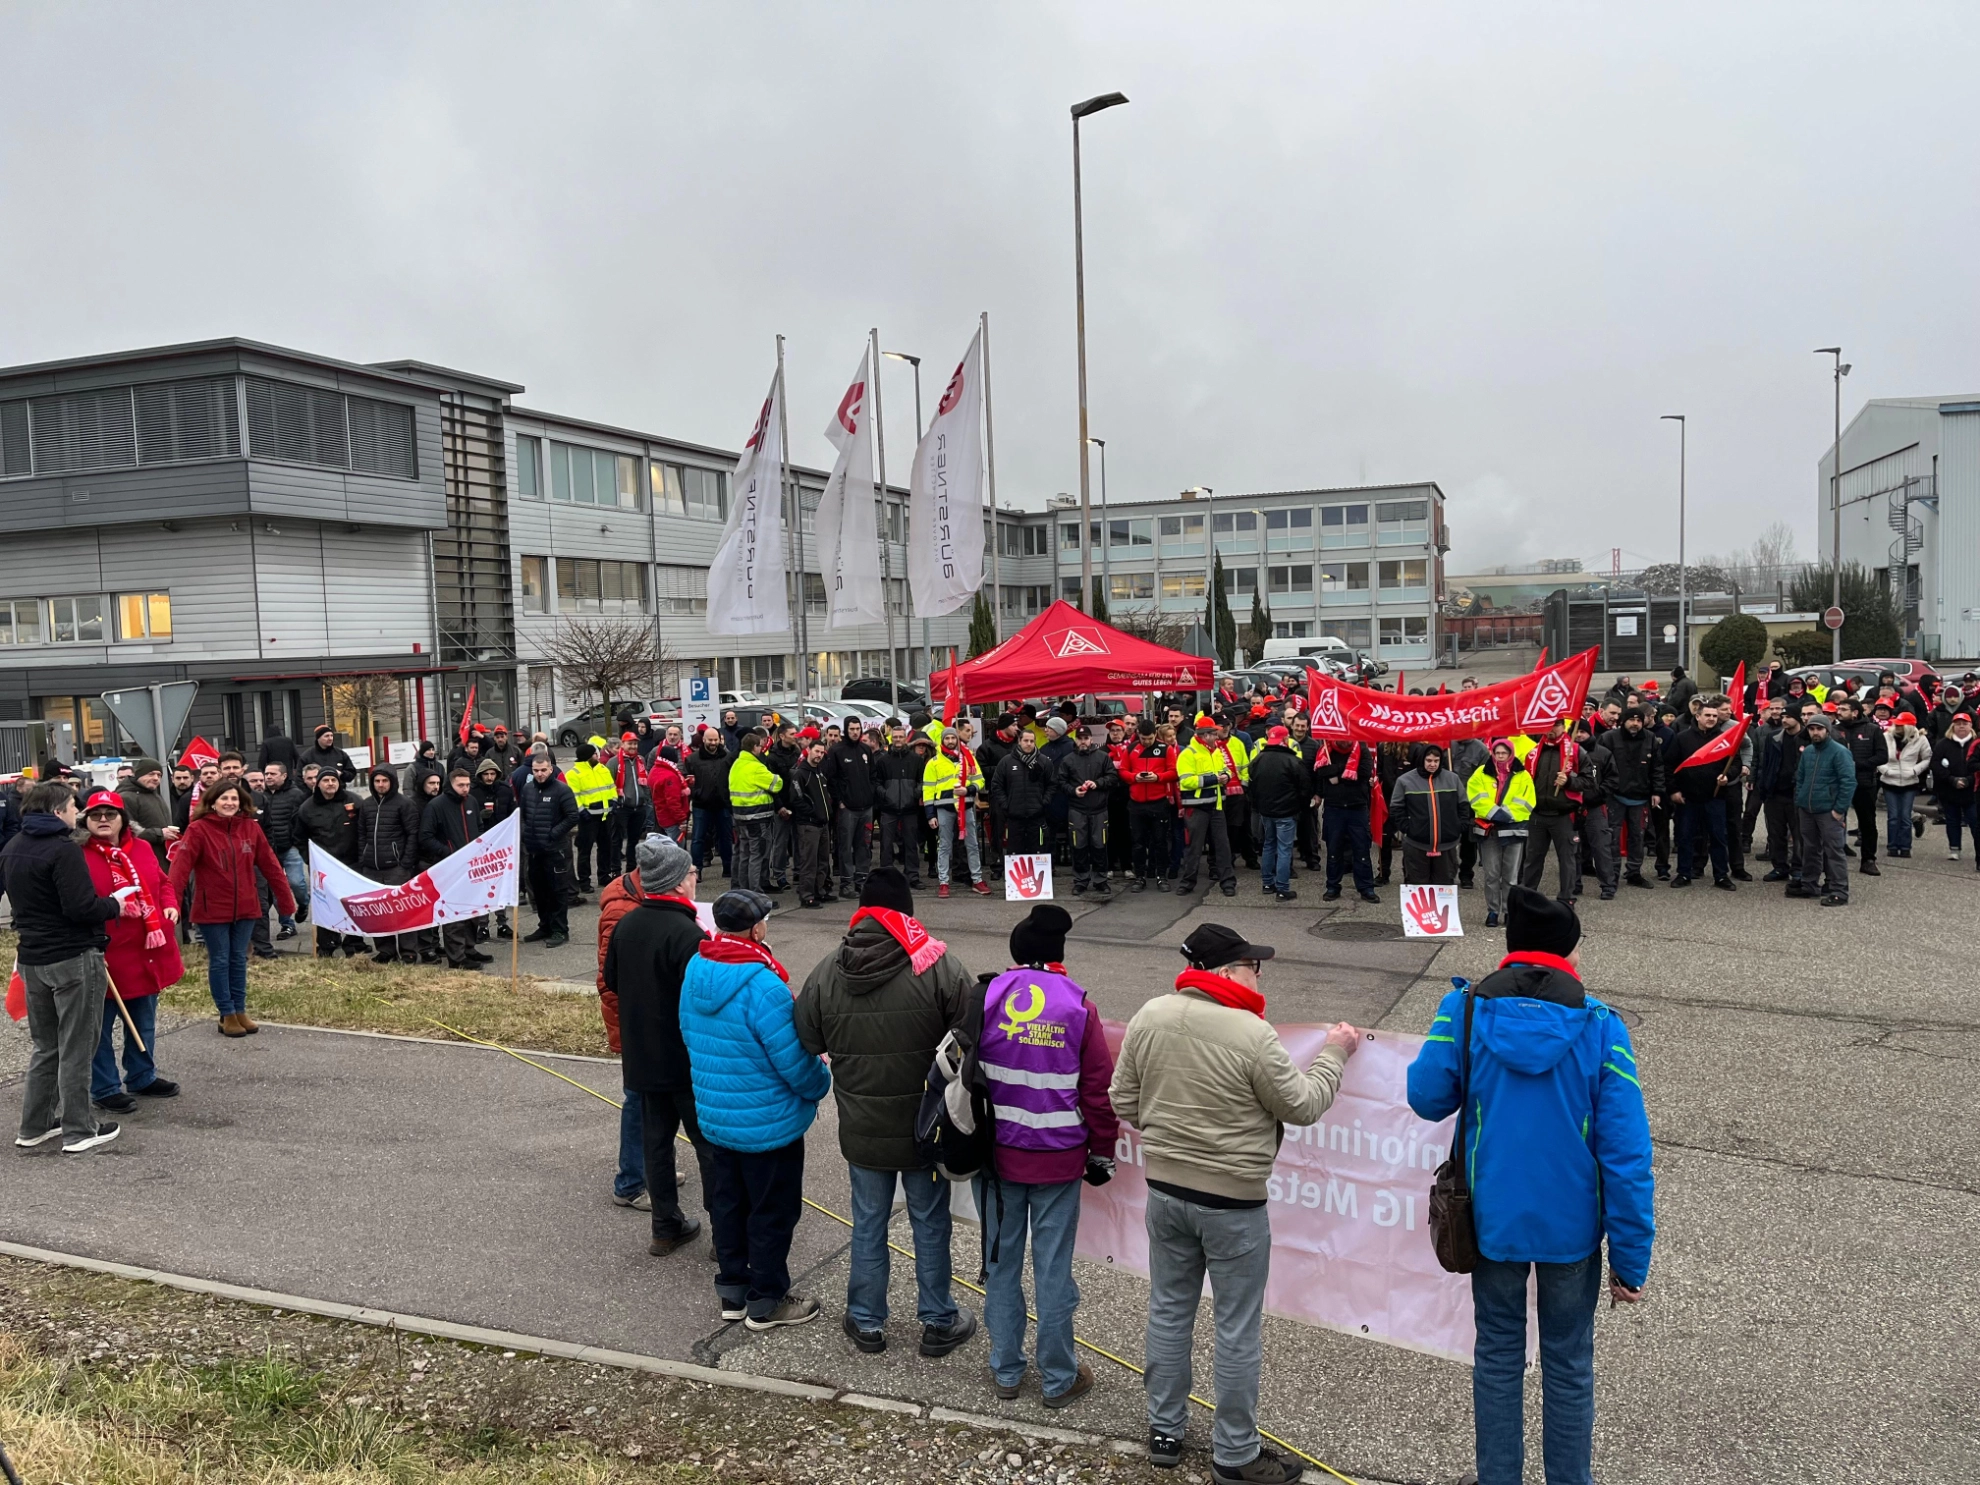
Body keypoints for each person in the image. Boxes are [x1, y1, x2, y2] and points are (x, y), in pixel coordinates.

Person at [1406, 887, 1655, 1485]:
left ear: (1512, 948)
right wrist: (1630, 1259)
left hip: (1491, 1221)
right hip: (1572, 1229)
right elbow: (1626, 1155)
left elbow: (1425, 1096)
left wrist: (1446, 1017)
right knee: (1569, 1365)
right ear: (1569, 952)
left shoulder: (1465, 1011)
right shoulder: (1602, 1027)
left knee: (1497, 1356)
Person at [1109, 923, 1358, 1482]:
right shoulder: (1251, 1033)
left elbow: (1122, 1098)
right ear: (1223, 973)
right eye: (1251, 965)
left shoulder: (1151, 1015)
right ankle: (1235, 1454)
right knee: (1236, 1326)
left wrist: (1172, 1134)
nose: (1259, 973)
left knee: (1169, 1310)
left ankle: (1165, 1430)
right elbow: (1301, 1105)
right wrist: (1335, 1055)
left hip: (1166, 1192)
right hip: (1234, 1204)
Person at [794, 868, 978, 1358]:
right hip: (927, 1127)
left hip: (862, 1127)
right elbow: (969, 1034)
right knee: (930, 1223)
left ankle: (867, 1321)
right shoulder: (937, 965)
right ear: (906, 914)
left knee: (869, 1222)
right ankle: (939, 1320)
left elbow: (808, 1038)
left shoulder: (828, 969)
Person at [975, 905, 1119, 1408]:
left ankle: (1006, 1372)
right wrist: (1103, 1151)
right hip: (1059, 1159)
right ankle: (1059, 1378)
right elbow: (1098, 1091)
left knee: (1001, 1263)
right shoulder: (1078, 1005)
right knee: (1053, 1271)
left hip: (996, 1160)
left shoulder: (989, 995)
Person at [681, 888, 832, 1329]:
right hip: (768, 1122)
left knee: (728, 1203)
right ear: (756, 928)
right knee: (772, 1210)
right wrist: (821, 1081)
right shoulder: (763, 984)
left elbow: (688, 1032)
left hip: (717, 1113)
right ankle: (767, 1299)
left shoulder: (697, 967)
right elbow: (794, 1062)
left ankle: (732, 1290)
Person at [603, 833, 716, 1256]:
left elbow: (612, 981)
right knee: (709, 1149)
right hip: (685, 1059)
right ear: (674, 881)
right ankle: (724, 1235)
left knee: (656, 1145)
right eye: (689, 872)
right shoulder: (687, 934)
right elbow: (704, 997)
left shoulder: (628, 924)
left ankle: (665, 1225)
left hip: (643, 1055)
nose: (695, 876)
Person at [4, 782, 129, 1153]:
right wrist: (114, 904)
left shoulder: (12, 847)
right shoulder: (64, 850)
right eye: (75, 807)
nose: (78, 814)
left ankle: (34, 1125)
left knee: (46, 1046)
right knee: (76, 1045)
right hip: (72, 957)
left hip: (32, 958)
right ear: (59, 810)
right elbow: (81, 908)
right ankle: (79, 1128)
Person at [77, 791, 184, 1110]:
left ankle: (141, 1076)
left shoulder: (140, 847)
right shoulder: (77, 854)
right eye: (96, 815)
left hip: (145, 950)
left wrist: (169, 906)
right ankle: (105, 1087)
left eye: (111, 814)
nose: (104, 820)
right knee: (99, 1027)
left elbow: (163, 883)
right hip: (105, 953)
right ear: (85, 820)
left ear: (124, 820)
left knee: (143, 1019)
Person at [168, 780, 298, 1036]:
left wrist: (286, 901)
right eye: (224, 798)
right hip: (211, 908)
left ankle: (240, 1010)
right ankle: (226, 1013)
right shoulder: (198, 830)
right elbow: (179, 870)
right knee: (220, 959)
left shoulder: (250, 828)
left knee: (238, 959)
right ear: (213, 802)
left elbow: (270, 864)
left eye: (234, 799)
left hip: (246, 906)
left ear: (241, 802)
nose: (229, 803)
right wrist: (171, 903)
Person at [353, 765, 429, 963]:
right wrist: (363, 858)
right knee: (377, 912)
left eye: (384, 781)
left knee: (403, 911)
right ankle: (386, 950)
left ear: (392, 782)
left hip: (397, 868)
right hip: (372, 868)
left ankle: (408, 951)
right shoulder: (366, 805)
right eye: (377, 781)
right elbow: (361, 833)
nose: (380, 784)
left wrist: (405, 863)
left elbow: (413, 834)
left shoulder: (405, 804)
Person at [419, 769, 493, 969]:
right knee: (454, 915)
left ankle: (469, 949)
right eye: (461, 785)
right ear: (451, 784)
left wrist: (480, 849)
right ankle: (457, 958)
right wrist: (449, 852)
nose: (465, 789)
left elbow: (478, 827)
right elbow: (425, 837)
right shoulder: (436, 806)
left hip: (471, 867)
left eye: (467, 785)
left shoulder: (471, 802)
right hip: (450, 867)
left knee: (473, 912)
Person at [1664, 698, 1737, 891]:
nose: (1712, 719)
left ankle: (1721, 876)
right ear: (1698, 716)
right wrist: (1673, 790)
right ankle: (1684, 873)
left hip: (1715, 797)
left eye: (1715, 716)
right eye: (1708, 715)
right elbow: (1669, 766)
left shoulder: (1725, 739)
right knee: (1685, 837)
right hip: (1687, 798)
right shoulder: (1682, 738)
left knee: (1718, 838)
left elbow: (1735, 763)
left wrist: (1727, 776)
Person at [1589, 707, 1663, 894]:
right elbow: (1598, 765)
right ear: (1623, 721)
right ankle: (1611, 874)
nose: (1635, 723)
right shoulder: (1608, 738)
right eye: (1631, 720)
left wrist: (1657, 791)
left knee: (1637, 836)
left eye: (1639, 720)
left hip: (1641, 796)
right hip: (1615, 796)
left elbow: (1657, 767)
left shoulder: (1650, 739)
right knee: (1612, 836)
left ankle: (1634, 872)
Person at [297, 766, 368, 958]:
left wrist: (362, 857)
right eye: (325, 781)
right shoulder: (307, 808)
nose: (330, 784)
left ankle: (354, 944)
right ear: (317, 784)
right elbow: (299, 838)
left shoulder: (354, 801)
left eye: (333, 780)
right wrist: (310, 860)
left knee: (353, 905)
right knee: (326, 907)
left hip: (352, 864)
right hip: (325, 868)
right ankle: (326, 946)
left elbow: (365, 830)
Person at [1466, 740, 1536, 929]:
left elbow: (1527, 802)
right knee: (1491, 874)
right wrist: (1495, 813)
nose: (1501, 756)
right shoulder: (1480, 773)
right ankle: (1493, 911)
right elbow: (1475, 797)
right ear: (1492, 753)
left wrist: (1503, 815)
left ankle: (1509, 912)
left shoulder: (1523, 776)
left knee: (1511, 876)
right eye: (1497, 753)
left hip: (1513, 830)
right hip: (1489, 830)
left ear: (1511, 754)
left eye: (1504, 753)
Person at [1791, 712, 1856, 906]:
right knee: (1810, 848)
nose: (1815, 732)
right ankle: (1809, 884)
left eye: (1819, 729)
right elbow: (1800, 777)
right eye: (1811, 729)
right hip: (1807, 809)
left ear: (1827, 730)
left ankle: (1839, 891)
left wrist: (1839, 809)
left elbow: (1848, 781)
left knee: (1834, 851)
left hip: (1829, 810)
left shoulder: (1839, 752)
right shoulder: (1809, 751)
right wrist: (1800, 799)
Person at [1516, 721, 1585, 902]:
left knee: (1567, 860)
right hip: (1537, 814)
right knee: (1532, 860)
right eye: (1548, 725)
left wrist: (1570, 782)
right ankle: (1528, 898)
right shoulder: (1533, 753)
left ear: (1564, 727)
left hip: (1563, 815)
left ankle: (1566, 900)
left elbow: (1591, 781)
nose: (1552, 730)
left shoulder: (1576, 751)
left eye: (1556, 725)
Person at [1175, 716, 1242, 899]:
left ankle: (1227, 882)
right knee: (1194, 848)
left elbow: (1226, 770)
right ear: (1205, 736)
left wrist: (1226, 777)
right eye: (1214, 733)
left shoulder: (1216, 751)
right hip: (1197, 808)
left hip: (1216, 805)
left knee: (1222, 846)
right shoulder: (1188, 754)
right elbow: (1186, 781)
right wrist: (1215, 780)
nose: (1217, 735)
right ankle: (1188, 882)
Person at [519, 752, 580, 947]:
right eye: (536, 771)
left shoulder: (562, 790)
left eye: (543, 770)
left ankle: (560, 929)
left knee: (557, 891)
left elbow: (572, 816)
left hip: (555, 850)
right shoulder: (527, 789)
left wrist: (553, 833)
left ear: (550, 769)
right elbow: (523, 815)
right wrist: (525, 833)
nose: (540, 774)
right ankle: (544, 925)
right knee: (539, 890)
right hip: (534, 850)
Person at [252, 758, 309, 956]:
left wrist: (296, 841)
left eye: (272, 774)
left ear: (284, 776)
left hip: (289, 847)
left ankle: (303, 904)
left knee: (296, 883)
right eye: (266, 774)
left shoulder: (296, 795)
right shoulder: (259, 797)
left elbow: (302, 821)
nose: (268, 777)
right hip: (268, 851)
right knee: (276, 889)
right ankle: (287, 924)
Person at [1313, 737, 1380, 904]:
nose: (1344, 741)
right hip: (1334, 808)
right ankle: (1333, 886)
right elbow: (1320, 772)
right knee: (1334, 849)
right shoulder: (1326, 750)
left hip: (1357, 807)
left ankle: (1366, 887)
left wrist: (1335, 773)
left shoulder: (1362, 749)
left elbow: (1364, 772)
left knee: (1362, 849)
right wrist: (1345, 773)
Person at [1390, 743, 1466, 886]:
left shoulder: (1453, 779)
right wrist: (1408, 828)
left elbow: (1463, 805)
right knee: (1417, 885)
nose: (1432, 764)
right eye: (1429, 761)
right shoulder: (1405, 781)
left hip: (1447, 845)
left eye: (1436, 761)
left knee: (1444, 886)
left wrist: (1458, 827)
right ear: (1422, 760)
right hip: (1416, 844)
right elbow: (1396, 808)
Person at [1245, 725, 1307, 901]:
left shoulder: (1258, 760)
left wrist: (1259, 806)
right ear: (1286, 740)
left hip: (1266, 811)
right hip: (1287, 812)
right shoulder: (1293, 761)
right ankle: (1282, 888)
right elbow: (1304, 789)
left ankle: (1267, 883)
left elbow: (1252, 787)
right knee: (1284, 848)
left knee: (1268, 845)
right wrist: (1298, 807)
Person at [1056, 724, 1118, 898]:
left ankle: (1100, 880)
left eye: (1086, 738)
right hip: (1077, 810)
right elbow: (1061, 782)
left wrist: (1097, 783)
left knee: (1100, 846)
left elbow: (1113, 777)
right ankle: (1081, 880)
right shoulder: (1068, 760)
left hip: (1099, 810)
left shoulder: (1103, 757)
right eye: (1080, 738)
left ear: (1091, 740)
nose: (1083, 741)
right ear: (1075, 740)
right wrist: (1073, 790)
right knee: (1078, 846)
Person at [824, 717, 877, 897]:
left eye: (858, 728)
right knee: (845, 847)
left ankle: (861, 881)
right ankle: (846, 884)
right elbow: (831, 779)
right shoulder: (836, 751)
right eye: (852, 728)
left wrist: (871, 794)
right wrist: (840, 801)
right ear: (846, 730)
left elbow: (873, 775)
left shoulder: (865, 750)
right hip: (847, 809)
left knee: (864, 846)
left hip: (866, 808)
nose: (855, 731)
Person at [727, 729, 785, 893]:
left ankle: (744, 891)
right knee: (757, 855)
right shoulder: (755, 767)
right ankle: (756, 893)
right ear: (754, 747)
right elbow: (777, 783)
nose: (762, 749)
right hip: (757, 817)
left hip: (740, 816)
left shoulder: (737, 765)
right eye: (760, 746)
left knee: (745, 854)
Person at [1833, 698, 1884, 877]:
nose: (1839, 712)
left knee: (1868, 823)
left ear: (1855, 712)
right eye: (1838, 708)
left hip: (1864, 783)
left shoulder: (1873, 730)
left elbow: (1882, 756)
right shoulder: (1835, 731)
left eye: (1843, 709)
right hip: (1838, 784)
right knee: (1834, 820)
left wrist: (1859, 765)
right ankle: (1835, 856)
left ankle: (1869, 860)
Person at [990, 728, 1055, 863]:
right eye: (1026, 740)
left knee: (1037, 851)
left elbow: (1052, 784)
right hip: (1014, 816)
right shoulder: (1006, 762)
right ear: (1019, 741)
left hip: (1037, 816)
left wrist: (1044, 801)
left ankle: (1037, 881)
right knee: (1015, 853)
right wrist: (1006, 804)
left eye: (1032, 741)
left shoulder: (1044, 762)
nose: (1029, 744)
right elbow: (996, 785)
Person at [565, 740, 619, 893]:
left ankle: (604, 875)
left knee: (605, 847)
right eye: (595, 754)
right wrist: (582, 811)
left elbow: (611, 787)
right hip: (588, 818)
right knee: (585, 850)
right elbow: (574, 795)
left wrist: (614, 802)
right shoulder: (574, 774)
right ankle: (584, 881)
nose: (597, 755)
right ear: (588, 756)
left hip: (605, 815)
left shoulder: (602, 768)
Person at [788, 737, 836, 909]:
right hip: (808, 825)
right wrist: (814, 813)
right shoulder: (800, 774)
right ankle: (806, 895)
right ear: (808, 750)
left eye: (822, 752)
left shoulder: (820, 772)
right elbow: (796, 799)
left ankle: (820, 890)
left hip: (823, 824)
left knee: (823, 860)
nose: (819, 755)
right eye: (816, 751)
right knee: (809, 861)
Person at [1879, 712, 1931, 859]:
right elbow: (1878, 755)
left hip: (1909, 782)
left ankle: (1906, 847)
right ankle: (1893, 846)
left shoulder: (1921, 739)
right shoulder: (1886, 736)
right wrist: (1885, 769)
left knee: (1905, 816)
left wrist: (1915, 770)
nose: (1897, 727)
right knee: (1893, 816)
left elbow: (1927, 758)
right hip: (1889, 780)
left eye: (1901, 725)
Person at [685, 727, 734, 878]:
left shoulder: (728, 757)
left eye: (715, 740)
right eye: (710, 740)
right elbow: (687, 781)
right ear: (704, 740)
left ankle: (728, 868)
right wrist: (696, 794)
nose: (713, 743)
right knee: (698, 839)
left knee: (726, 838)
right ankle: (697, 870)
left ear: (719, 740)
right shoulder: (692, 759)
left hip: (722, 805)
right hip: (702, 805)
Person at [1929, 710, 1977, 862]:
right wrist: (1951, 779)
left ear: (1971, 725)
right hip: (1949, 788)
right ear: (1953, 726)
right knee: (1952, 820)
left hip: (1973, 790)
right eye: (1958, 724)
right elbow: (1935, 765)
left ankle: (1979, 852)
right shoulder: (1943, 744)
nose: (1961, 727)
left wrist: (1969, 780)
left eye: (1965, 724)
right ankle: (1954, 848)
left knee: (1975, 821)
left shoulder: (1977, 744)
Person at [117, 758, 179, 873]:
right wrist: (159, 834)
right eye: (151, 774)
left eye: (159, 775)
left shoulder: (154, 795)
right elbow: (126, 833)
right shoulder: (126, 797)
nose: (156, 778)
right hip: (142, 862)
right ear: (139, 775)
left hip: (160, 860)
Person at [608, 732, 651, 878]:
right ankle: (615, 870)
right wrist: (615, 802)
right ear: (623, 744)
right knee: (617, 840)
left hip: (639, 807)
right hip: (621, 807)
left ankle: (631, 869)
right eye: (629, 743)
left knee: (634, 840)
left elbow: (645, 782)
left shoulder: (641, 760)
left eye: (635, 743)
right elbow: (608, 785)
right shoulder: (614, 763)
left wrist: (646, 799)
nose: (633, 746)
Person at [646, 739, 691, 846]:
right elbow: (673, 802)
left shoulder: (655, 770)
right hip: (671, 819)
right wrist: (682, 819)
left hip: (661, 815)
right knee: (677, 850)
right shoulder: (671, 776)